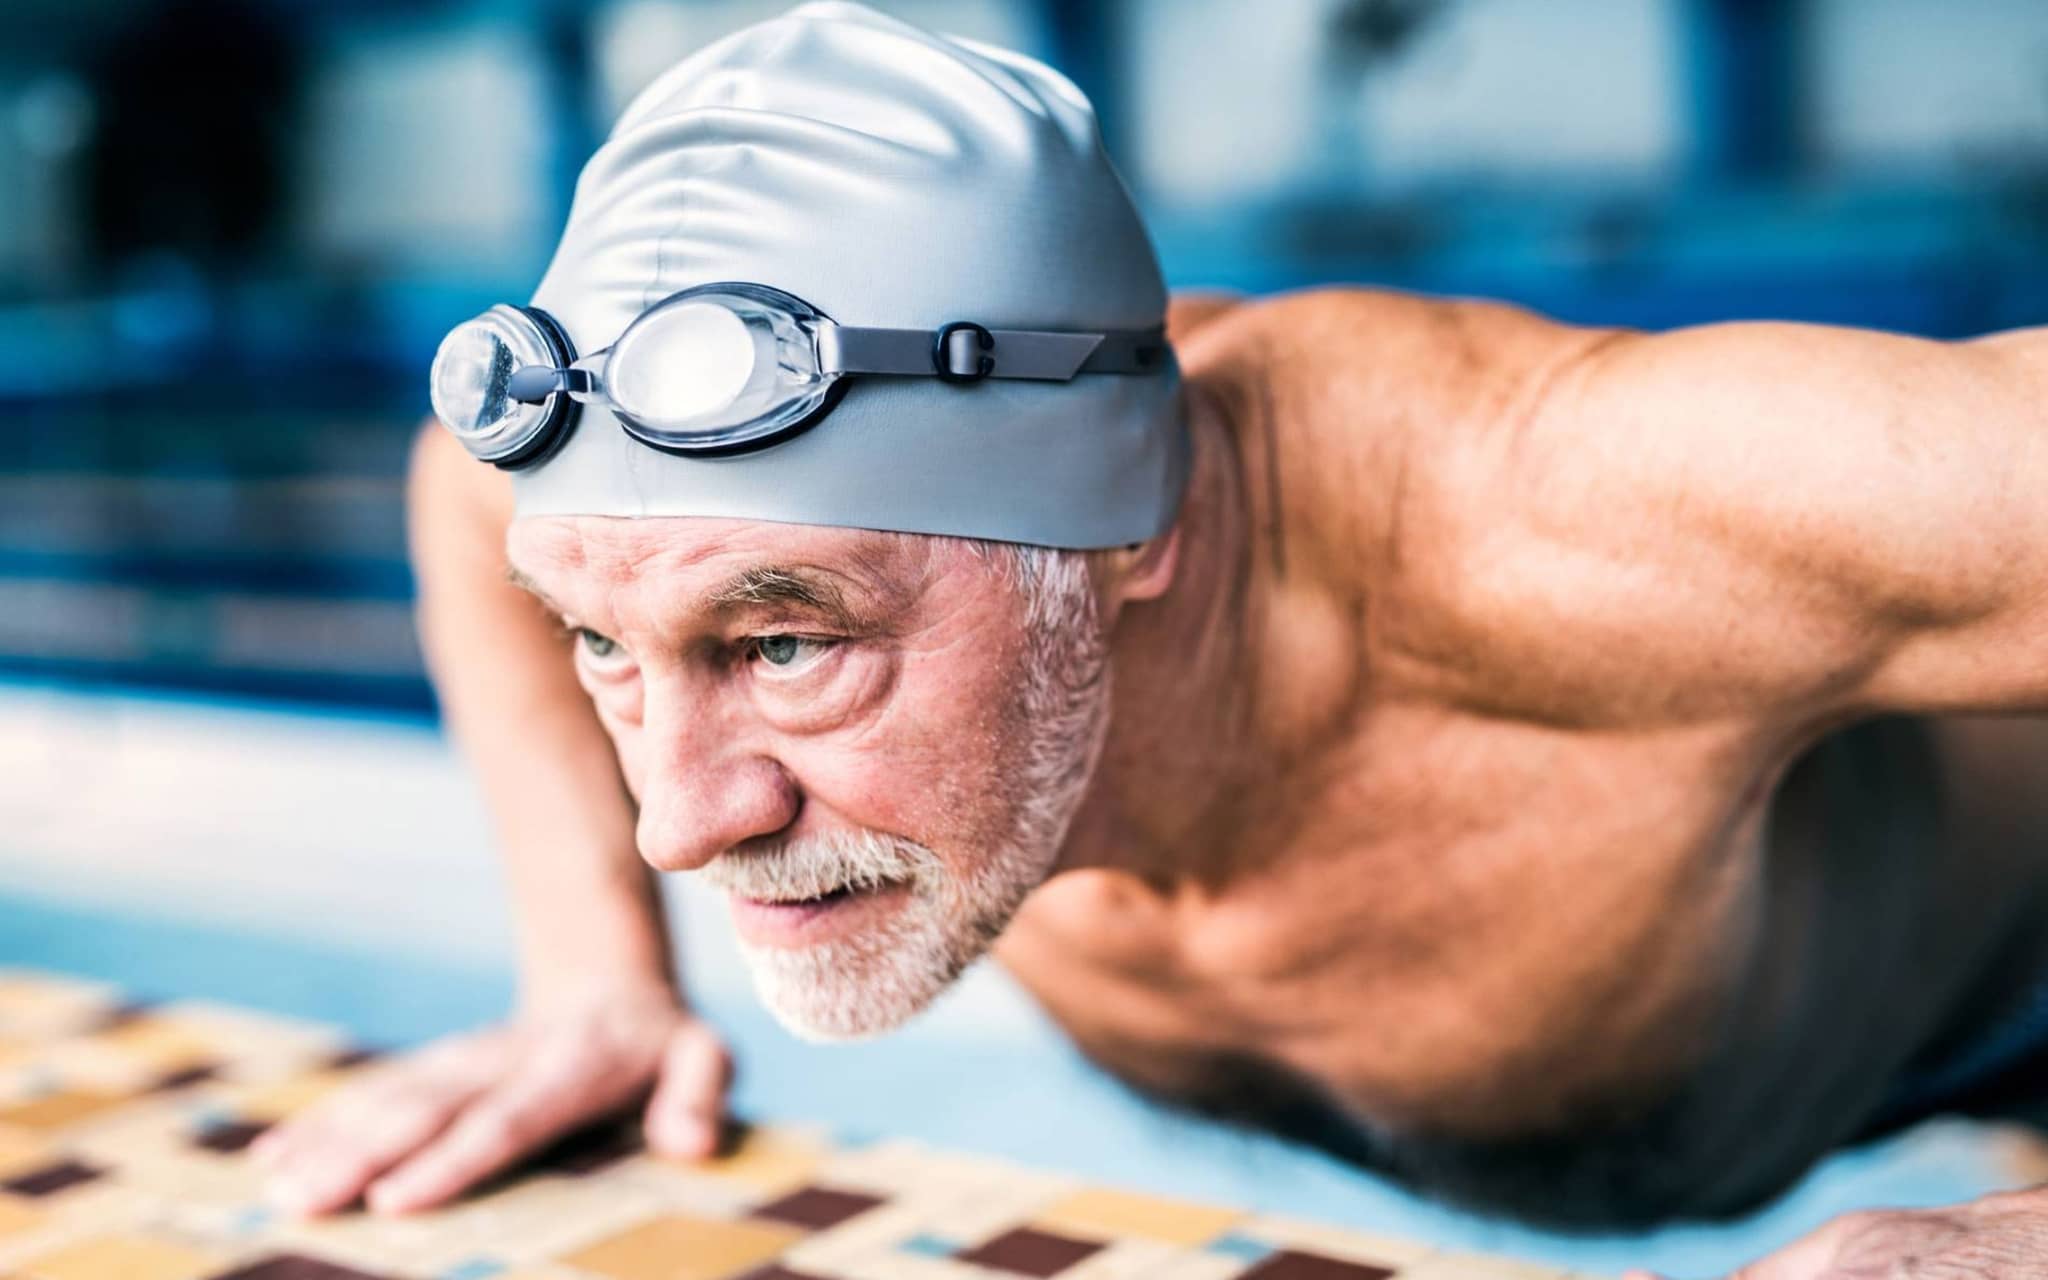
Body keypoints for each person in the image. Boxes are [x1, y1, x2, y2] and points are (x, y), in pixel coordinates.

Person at [253, 4, 2048, 1273]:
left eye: (786, 645)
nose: (684, 820)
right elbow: (457, 486)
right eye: (607, 643)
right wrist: (592, 978)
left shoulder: (1577, 515)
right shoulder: (681, 531)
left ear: (1138, 531)